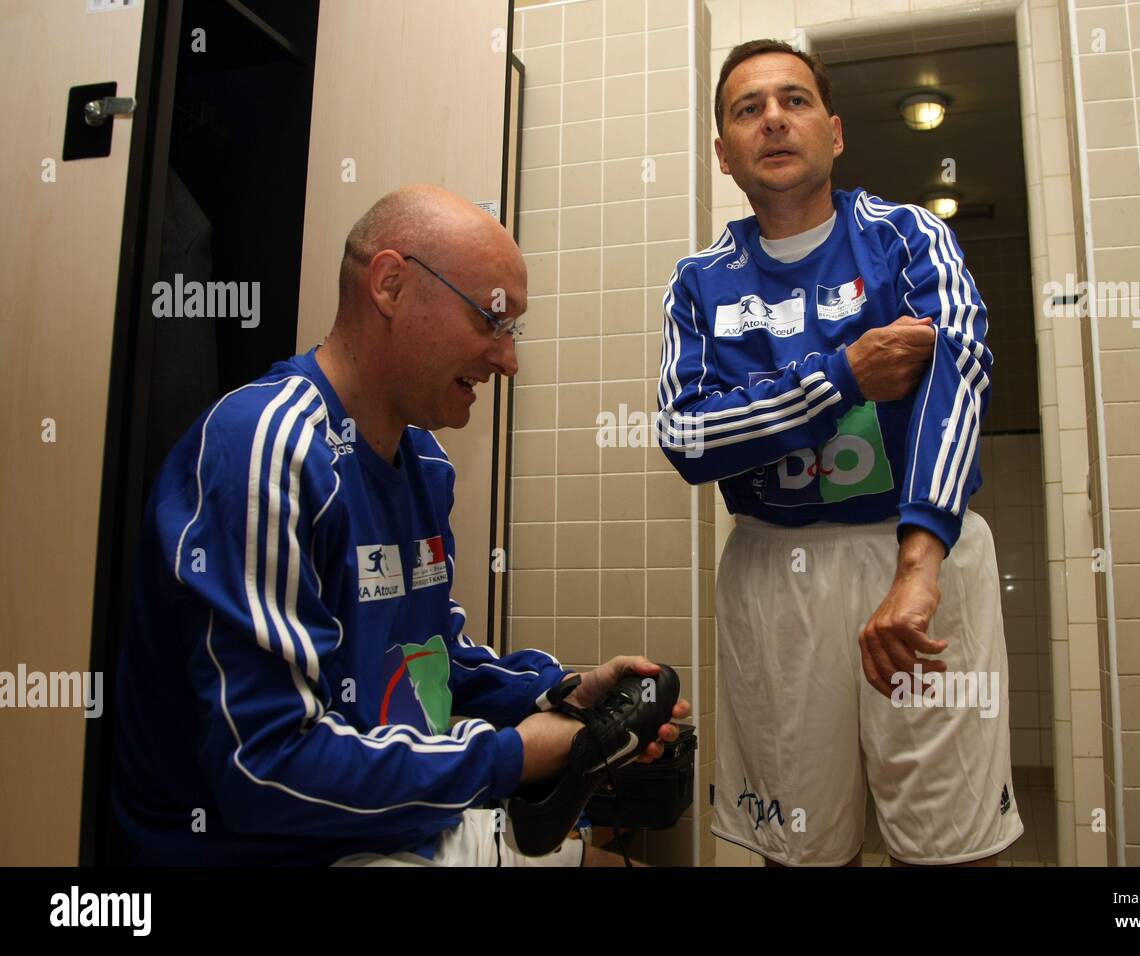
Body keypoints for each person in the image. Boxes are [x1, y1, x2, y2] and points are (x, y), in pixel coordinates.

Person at [112, 185, 688, 867]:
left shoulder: (423, 462)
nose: (508, 359)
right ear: (390, 285)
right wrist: (516, 754)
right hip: (266, 846)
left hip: (388, 822)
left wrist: (558, 692)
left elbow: (429, 658)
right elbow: (265, 766)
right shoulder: (266, 451)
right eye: (492, 320)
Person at [657, 40, 1022, 867]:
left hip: (918, 553)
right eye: (748, 109)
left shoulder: (908, 238)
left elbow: (955, 376)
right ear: (723, 152)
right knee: (802, 847)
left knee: (951, 845)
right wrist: (841, 376)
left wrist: (921, 562)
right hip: (772, 572)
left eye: (794, 101)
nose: (774, 119)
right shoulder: (698, 283)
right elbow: (686, 435)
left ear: (835, 130)